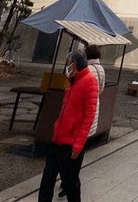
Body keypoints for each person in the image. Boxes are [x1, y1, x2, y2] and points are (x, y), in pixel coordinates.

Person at [38, 51, 98, 202]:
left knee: (70, 182)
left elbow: (89, 115)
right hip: (58, 137)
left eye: (67, 64)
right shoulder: (72, 80)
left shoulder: (89, 81)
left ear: (74, 65)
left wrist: (78, 144)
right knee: (47, 179)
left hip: (71, 142)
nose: (66, 67)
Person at [83, 44, 106, 139]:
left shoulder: (86, 69)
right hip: (94, 105)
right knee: (85, 133)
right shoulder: (101, 69)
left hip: (83, 105)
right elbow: (101, 89)